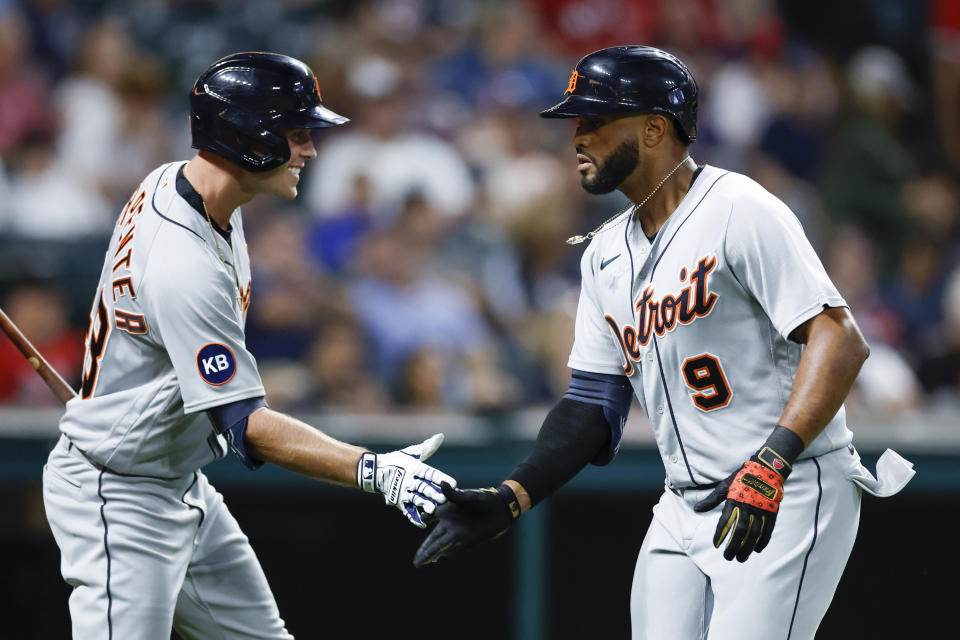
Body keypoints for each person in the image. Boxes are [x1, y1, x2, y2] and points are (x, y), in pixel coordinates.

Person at [413, 46, 915, 640]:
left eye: (595, 120)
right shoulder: (604, 254)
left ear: (655, 128)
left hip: (791, 484)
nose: (578, 137)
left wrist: (773, 462)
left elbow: (839, 338)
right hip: (682, 503)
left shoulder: (739, 209)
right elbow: (592, 406)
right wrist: (513, 496)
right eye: (576, 122)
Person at [42, 52, 456, 640]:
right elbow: (246, 424)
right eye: (294, 134)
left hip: (174, 477)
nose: (310, 150)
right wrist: (373, 470)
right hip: (120, 496)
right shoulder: (182, 262)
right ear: (247, 139)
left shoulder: (184, 185)